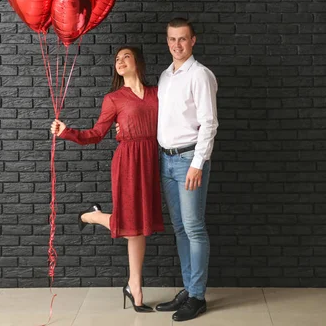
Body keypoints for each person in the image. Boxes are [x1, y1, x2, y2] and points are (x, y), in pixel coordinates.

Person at [50, 46, 164, 313]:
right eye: (116, 59)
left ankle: (133, 285)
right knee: (132, 224)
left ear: (138, 61)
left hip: (150, 159)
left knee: (140, 225)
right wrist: (67, 132)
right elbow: (97, 134)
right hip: (127, 161)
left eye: (126, 56)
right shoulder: (114, 98)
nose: (120, 61)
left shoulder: (158, 93)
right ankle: (92, 218)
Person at [154, 18, 218, 322]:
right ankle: (189, 287)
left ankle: (197, 296)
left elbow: (209, 123)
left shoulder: (200, 75)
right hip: (165, 160)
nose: (176, 45)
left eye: (182, 39)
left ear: (193, 40)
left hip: (189, 161)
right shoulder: (166, 76)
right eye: (171, 39)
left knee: (194, 228)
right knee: (180, 229)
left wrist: (197, 164)